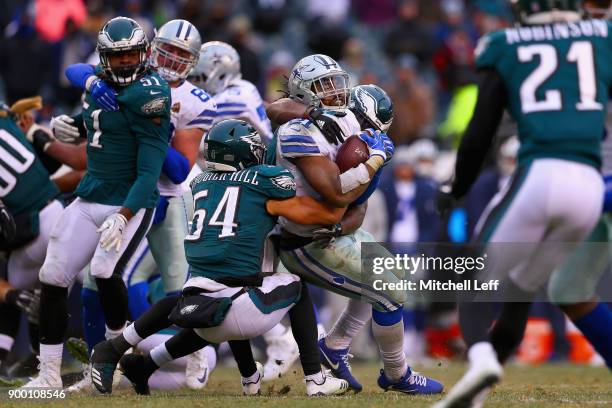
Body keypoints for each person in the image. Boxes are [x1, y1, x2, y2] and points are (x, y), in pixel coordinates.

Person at [90, 119, 350, 397]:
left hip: (200, 306)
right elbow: (306, 206)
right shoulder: (264, 180)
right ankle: (316, 380)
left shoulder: (202, 183)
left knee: (221, 294)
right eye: (253, 147)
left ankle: (132, 355)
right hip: (231, 309)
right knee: (293, 287)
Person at [435, 1, 612, 406]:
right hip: (589, 184)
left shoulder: (502, 43)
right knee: (519, 288)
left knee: (474, 279)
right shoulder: (603, 37)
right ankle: (476, 396)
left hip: (540, 174)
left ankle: (480, 358)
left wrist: (456, 187)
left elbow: (480, 131)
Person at [53, 19, 217, 392]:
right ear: (151, 47)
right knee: (98, 280)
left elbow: (177, 171)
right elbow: (75, 70)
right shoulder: (122, 74)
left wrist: (150, 129)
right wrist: (95, 84)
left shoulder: (195, 100)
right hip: (124, 196)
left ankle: (194, 355)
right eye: (168, 49)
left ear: (194, 61)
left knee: (182, 285)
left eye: (182, 54)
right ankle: (98, 365)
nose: (172, 59)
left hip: (167, 200)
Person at [266, 55, 443, 395]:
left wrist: (344, 224)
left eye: (336, 82)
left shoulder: (346, 119)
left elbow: (357, 205)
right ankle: (397, 372)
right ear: (305, 93)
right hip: (304, 238)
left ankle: (333, 347)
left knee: (389, 279)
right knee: (390, 294)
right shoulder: (297, 132)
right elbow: (333, 191)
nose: (335, 91)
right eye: (324, 86)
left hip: (332, 231)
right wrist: (374, 161)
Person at [22, 16, 171, 389]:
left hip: (130, 201)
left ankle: (112, 360)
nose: (124, 63)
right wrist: (78, 123)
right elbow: (76, 73)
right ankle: (49, 376)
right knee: (53, 275)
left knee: (105, 271)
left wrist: (123, 216)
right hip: (91, 196)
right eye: (117, 57)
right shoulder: (100, 82)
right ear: (105, 58)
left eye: (131, 55)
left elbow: (148, 172)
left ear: (145, 54)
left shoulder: (150, 93)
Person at [0, 100, 63, 380]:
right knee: (49, 295)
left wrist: (12, 294)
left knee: (19, 295)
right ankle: (43, 365)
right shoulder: (8, 118)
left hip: (28, 231)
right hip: (60, 215)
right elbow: (55, 164)